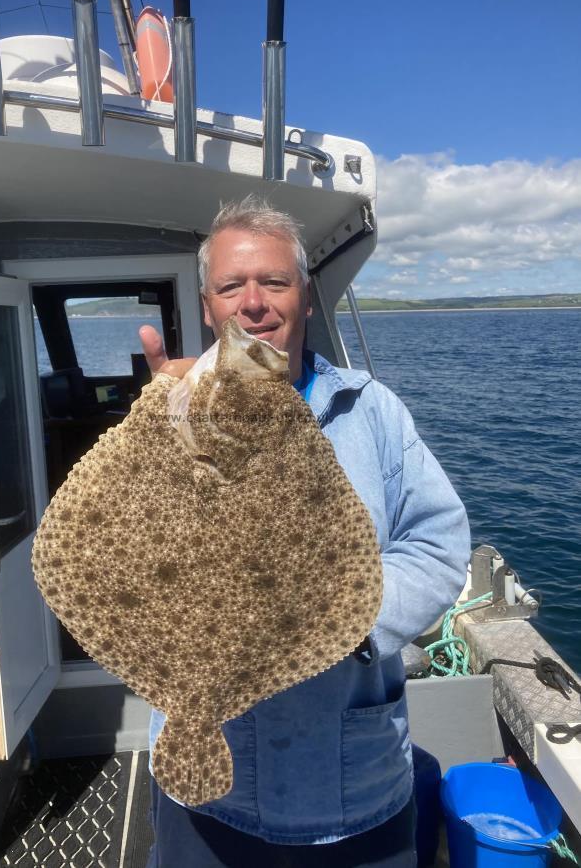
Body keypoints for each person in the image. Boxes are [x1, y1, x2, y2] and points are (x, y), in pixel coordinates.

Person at [138, 196, 470, 868]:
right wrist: (168, 435)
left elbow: (437, 547)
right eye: (232, 285)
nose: (253, 302)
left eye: (275, 282)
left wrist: (330, 618)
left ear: (306, 299)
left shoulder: (371, 411)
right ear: (208, 306)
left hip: (352, 790)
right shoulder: (169, 414)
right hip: (208, 783)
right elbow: (130, 566)